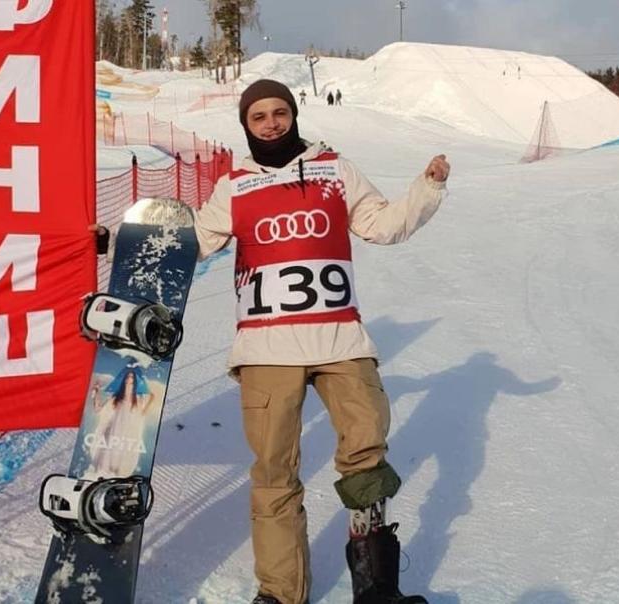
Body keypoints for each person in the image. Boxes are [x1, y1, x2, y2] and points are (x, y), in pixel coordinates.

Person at [191, 79, 449, 604]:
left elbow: (381, 225)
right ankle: (280, 593)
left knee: (366, 451)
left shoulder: (334, 169)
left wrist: (425, 188)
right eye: (259, 116)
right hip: (266, 349)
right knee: (274, 471)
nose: (271, 124)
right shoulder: (234, 186)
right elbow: (191, 243)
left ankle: (377, 588)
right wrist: (121, 240)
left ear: (293, 115)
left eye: (279, 112)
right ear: (246, 124)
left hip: (339, 340)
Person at [88, 363, 155, 478]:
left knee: (121, 461)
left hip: (127, 434)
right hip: (113, 432)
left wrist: (151, 400)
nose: (129, 380)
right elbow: (98, 409)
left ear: (135, 381)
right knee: (106, 460)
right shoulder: (116, 398)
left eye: (132, 377)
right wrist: (96, 393)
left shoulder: (138, 399)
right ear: (123, 380)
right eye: (127, 377)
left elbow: (142, 414)